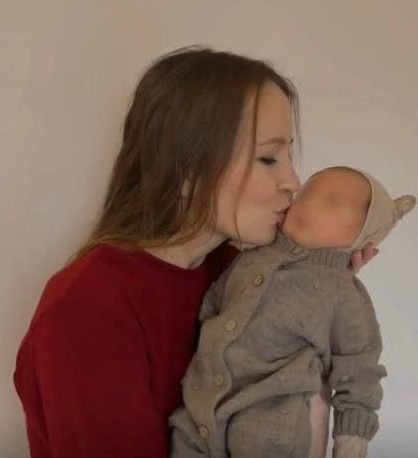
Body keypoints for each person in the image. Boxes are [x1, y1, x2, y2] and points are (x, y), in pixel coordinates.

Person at [13, 46, 378, 458]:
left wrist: (322, 296)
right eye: (268, 158)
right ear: (186, 169)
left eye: (289, 154)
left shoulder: (237, 273)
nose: (293, 181)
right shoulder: (87, 309)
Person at [168, 165, 415, 458]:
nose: (307, 201)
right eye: (306, 191)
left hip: (274, 422)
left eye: (331, 201)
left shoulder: (345, 295)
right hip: (200, 408)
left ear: (362, 236)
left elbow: (360, 373)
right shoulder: (252, 253)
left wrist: (351, 444)